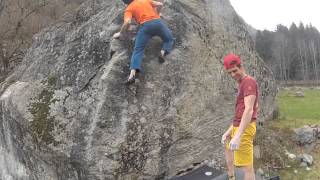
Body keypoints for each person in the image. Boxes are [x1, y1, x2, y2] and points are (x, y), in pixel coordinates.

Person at [113, 0, 174, 85]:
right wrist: (157, 13)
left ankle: (132, 75)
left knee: (138, 50)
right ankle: (162, 52)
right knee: (169, 39)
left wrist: (121, 33)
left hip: (145, 27)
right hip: (158, 23)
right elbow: (159, 4)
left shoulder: (129, 9)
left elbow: (127, 22)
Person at [221, 53, 259, 180]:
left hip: (245, 129)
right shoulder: (242, 83)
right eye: (229, 73)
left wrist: (238, 136)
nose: (232, 75)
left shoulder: (249, 82)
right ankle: (231, 177)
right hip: (238, 126)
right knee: (228, 148)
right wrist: (229, 131)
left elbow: (248, 110)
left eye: (235, 71)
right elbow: (240, 113)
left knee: (246, 168)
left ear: (241, 66)